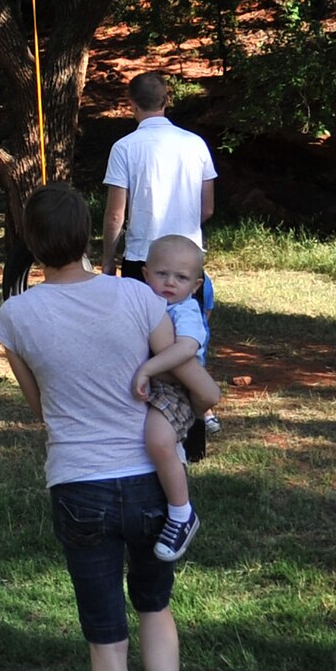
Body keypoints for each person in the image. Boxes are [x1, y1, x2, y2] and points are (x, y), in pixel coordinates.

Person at [0, 183, 219, 671]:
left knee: (105, 641)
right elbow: (185, 378)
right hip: (150, 482)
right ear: (89, 233)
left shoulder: (15, 316)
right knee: (155, 608)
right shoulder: (139, 297)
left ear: (31, 242)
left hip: (77, 486)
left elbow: (38, 408)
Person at [136, 236, 223, 561]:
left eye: (182, 278)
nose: (170, 283)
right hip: (152, 384)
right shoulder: (145, 302)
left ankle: (181, 513)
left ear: (196, 284)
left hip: (176, 389)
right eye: (162, 274)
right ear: (145, 274)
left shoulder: (185, 310)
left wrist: (147, 369)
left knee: (158, 441)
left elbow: (186, 348)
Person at [99, 72, 217, 280]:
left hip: (142, 255)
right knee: (186, 312)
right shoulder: (196, 143)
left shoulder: (124, 147)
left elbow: (115, 215)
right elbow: (207, 208)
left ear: (132, 103)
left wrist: (108, 259)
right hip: (186, 253)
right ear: (166, 100)